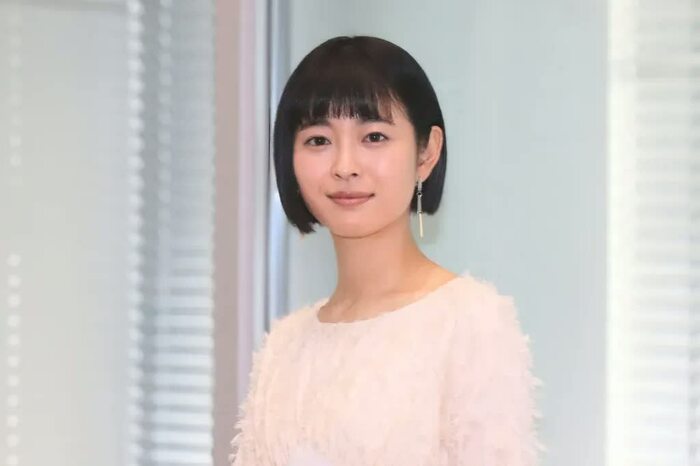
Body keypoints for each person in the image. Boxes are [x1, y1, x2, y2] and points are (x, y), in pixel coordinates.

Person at [228, 35, 545, 465]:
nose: (345, 166)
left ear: (426, 153)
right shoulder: (282, 347)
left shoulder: (470, 323)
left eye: (374, 136)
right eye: (318, 140)